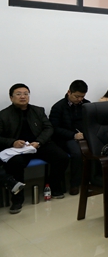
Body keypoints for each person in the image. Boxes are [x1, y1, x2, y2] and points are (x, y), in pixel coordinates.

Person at [0, 84, 69, 214]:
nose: (23, 96)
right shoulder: (3, 115)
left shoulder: (38, 111)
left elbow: (49, 128)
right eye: (18, 94)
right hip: (18, 149)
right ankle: (17, 200)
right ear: (11, 97)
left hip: (38, 145)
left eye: (26, 94)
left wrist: (39, 142)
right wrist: (13, 142)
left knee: (61, 157)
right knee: (15, 163)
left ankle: (53, 188)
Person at [49, 79, 90, 195]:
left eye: (82, 97)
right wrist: (73, 135)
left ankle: (93, 179)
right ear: (69, 92)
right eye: (77, 96)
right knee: (77, 153)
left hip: (84, 136)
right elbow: (54, 128)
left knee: (99, 148)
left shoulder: (87, 105)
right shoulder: (58, 107)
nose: (79, 99)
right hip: (66, 138)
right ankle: (74, 184)